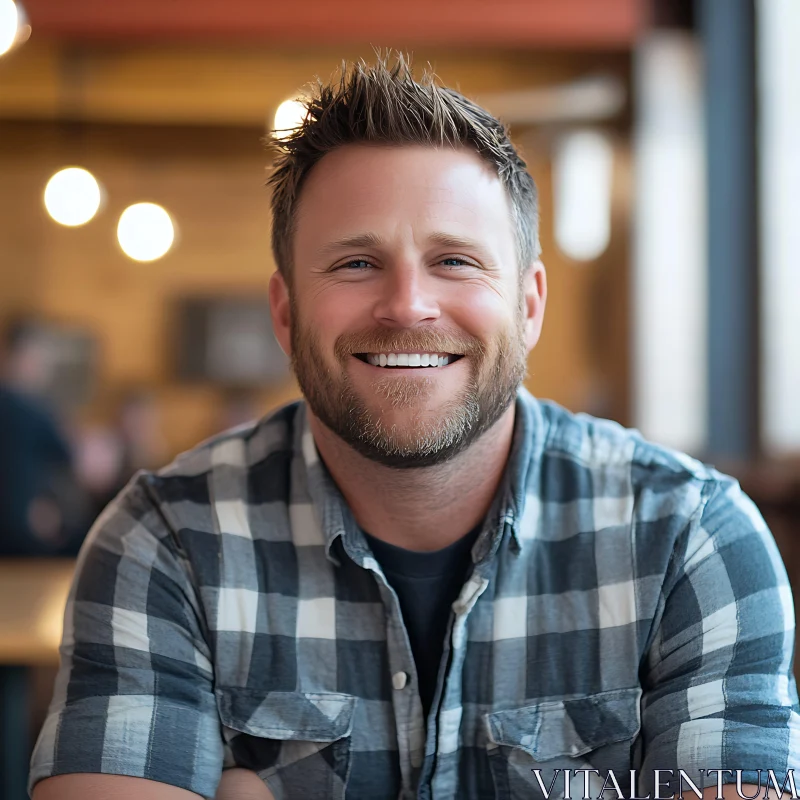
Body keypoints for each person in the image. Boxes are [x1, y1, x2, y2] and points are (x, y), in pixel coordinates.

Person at [30, 55, 799, 800]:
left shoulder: (688, 537)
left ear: (529, 306)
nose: (407, 306)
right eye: (356, 263)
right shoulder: (163, 541)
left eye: (456, 261)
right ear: (286, 310)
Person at [0, 319, 83, 556]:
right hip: (22, 532)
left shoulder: (35, 410)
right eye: (39, 358)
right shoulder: (32, 411)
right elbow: (73, 460)